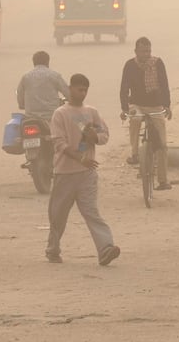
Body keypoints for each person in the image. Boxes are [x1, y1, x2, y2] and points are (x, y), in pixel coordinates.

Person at [46, 73, 119, 266]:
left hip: (87, 174)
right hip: (65, 173)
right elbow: (59, 143)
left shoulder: (91, 112)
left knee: (91, 212)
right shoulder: (60, 114)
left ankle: (106, 248)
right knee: (58, 215)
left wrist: (94, 136)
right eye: (79, 89)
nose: (83, 93)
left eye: (85, 90)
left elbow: (104, 135)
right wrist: (81, 158)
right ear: (70, 89)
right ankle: (53, 249)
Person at [119, 37, 173, 190]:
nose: (147, 54)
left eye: (148, 51)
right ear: (136, 51)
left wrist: (167, 106)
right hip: (137, 104)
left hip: (156, 105)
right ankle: (135, 153)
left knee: (162, 144)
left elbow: (164, 85)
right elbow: (124, 88)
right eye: (143, 51)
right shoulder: (129, 65)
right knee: (134, 118)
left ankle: (163, 180)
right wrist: (124, 108)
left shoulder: (157, 63)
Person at [17, 51, 70, 120]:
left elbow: (19, 93)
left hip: (31, 117)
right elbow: (68, 93)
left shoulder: (26, 77)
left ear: (33, 62)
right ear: (47, 62)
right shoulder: (55, 75)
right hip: (51, 117)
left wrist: (21, 105)